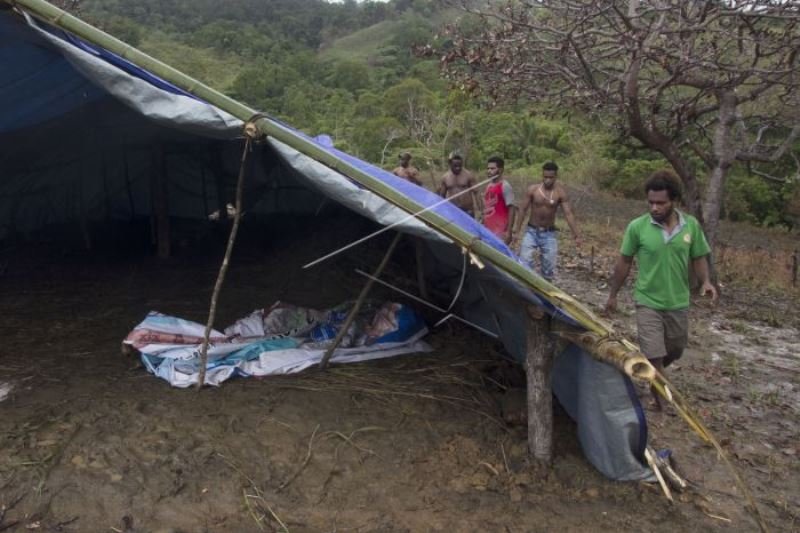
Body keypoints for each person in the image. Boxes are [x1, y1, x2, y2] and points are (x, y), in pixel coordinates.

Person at [604, 170, 718, 409]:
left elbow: (698, 257)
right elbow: (624, 261)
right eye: (651, 202)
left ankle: (647, 372)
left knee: (674, 349)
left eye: (661, 203)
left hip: (678, 302)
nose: (655, 208)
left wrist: (706, 282)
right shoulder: (637, 227)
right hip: (647, 302)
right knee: (655, 354)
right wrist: (613, 294)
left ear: (674, 201)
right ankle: (663, 401)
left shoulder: (691, 227)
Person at [512, 161, 580, 281]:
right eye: (545, 177)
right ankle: (525, 289)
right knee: (525, 262)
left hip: (549, 234)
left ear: (556, 177)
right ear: (542, 175)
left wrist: (576, 235)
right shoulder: (533, 190)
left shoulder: (560, 193)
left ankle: (544, 293)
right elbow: (522, 209)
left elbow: (568, 213)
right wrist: (516, 231)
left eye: (551, 177)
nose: (547, 180)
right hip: (531, 231)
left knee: (548, 268)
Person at [482, 156, 517, 244]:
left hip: (500, 231)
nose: (489, 171)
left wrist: (509, 232)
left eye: (492, 168)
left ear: (500, 170)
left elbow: (512, 209)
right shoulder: (489, 185)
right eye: (488, 168)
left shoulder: (505, 186)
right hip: (488, 229)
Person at [436, 153, 481, 220]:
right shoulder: (445, 177)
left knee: (468, 229)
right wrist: (441, 211)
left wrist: (481, 210)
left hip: (468, 211)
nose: (458, 168)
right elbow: (442, 197)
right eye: (455, 166)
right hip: (453, 211)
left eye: (460, 166)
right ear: (450, 164)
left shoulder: (468, 175)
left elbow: (476, 192)